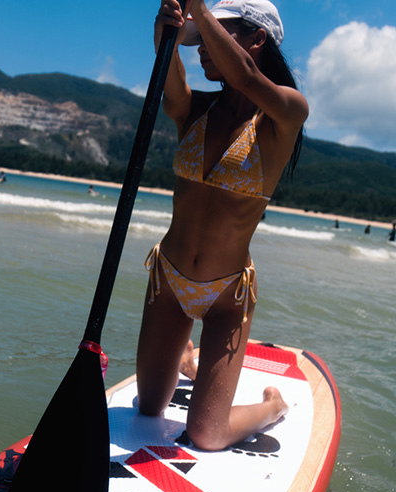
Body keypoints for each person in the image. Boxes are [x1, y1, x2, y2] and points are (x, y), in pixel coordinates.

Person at [136, 0, 307, 451]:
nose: (203, 50)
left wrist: (197, 7)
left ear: (257, 39)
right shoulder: (195, 111)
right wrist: (167, 26)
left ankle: (272, 405)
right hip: (169, 281)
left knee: (206, 435)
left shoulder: (286, 114)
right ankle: (188, 357)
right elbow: (170, 74)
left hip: (227, 296)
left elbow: (248, 78)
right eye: (202, 41)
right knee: (149, 406)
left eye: (216, 37)